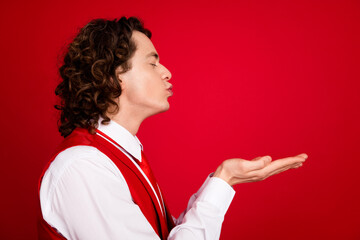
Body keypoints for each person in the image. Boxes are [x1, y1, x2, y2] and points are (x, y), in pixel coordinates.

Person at [38, 17, 308, 240]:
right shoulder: (83, 166)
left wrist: (225, 179)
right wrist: (223, 182)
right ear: (113, 76)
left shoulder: (122, 156)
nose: (166, 72)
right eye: (152, 63)